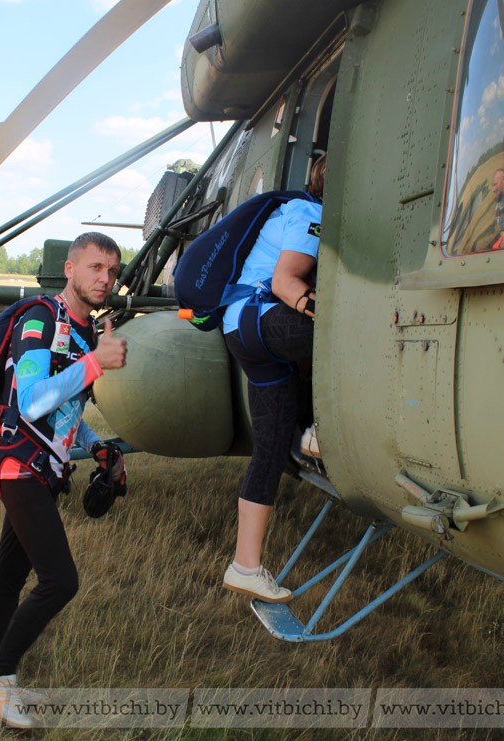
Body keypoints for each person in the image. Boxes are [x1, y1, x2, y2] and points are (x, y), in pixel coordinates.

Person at [0, 232, 128, 729]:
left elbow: (63, 410)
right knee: (60, 581)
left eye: (112, 271)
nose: (104, 278)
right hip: (18, 463)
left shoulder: (83, 331)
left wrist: (96, 444)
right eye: (95, 267)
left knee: (10, 576)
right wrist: (95, 362)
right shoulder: (42, 319)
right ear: (70, 269)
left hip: (44, 468)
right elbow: (32, 400)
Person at [219, 155, 327, 604]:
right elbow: (285, 283)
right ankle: (321, 432)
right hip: (261, 318)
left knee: (269, 451)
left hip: (244, 330)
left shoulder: (297, 211)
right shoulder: (310, 212)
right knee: (349, 330)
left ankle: (244, 566)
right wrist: (334, 314)